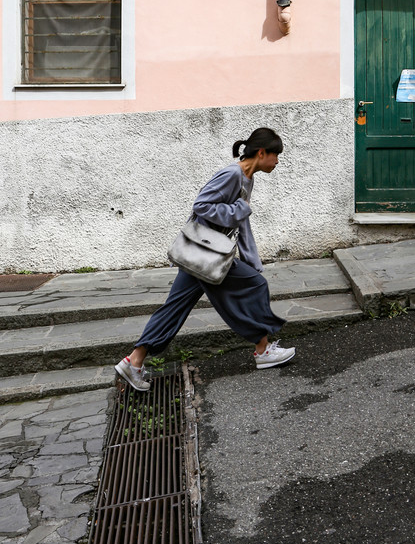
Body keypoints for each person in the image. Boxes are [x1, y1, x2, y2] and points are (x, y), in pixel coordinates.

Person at [115, 127, 295, 391]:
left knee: (175, 307)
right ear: (261, 152)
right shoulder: (232, 174)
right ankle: (263, 350)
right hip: (208, 254)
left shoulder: (247, 178)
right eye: (276, 155)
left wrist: (251, 257)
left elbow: (240, 222)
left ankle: (134, 361)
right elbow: (202, 205)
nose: (277, 161)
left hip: (205, 255)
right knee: (255, 285)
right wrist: (238, 209)